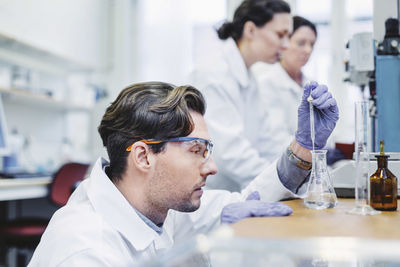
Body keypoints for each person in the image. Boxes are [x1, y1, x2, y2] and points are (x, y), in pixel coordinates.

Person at [28, 80, 338, 266]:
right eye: (196, 150)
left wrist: (304, 146)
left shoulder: (156, 207)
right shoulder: (86, 252)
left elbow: (246, 204)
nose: (212, 167)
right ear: (143, 156)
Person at [189, 0, 294, 191]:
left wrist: (298, 167)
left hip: (235, 190)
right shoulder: (215, 73)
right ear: (251, 30)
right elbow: (229, 153)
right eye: (280, 35)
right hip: (207, 194)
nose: (286, 45)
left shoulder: (249, 77)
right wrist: (280, 183)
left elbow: (266, 141)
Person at [251, 15, 318, 162]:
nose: (308, 50)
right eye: (301, 43)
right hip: (280, 164)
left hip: (308, 162)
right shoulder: (267, 81)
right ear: (285, 43)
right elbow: (275, 140)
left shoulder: (311, 85)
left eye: (312, 44)